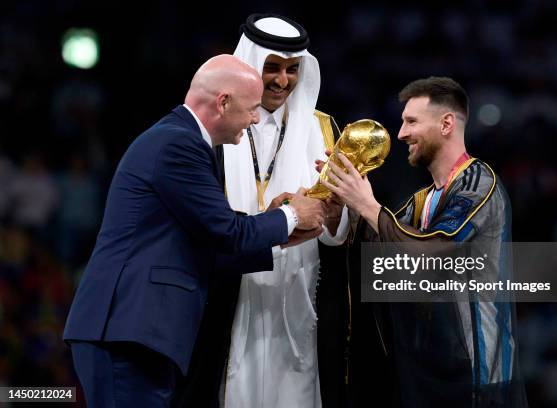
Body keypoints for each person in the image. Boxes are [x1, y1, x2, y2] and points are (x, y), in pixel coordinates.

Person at [62, 54, 326, 408]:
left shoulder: (180, 141)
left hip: (135, 331)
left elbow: (211, 243)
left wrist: (289, 234)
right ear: (223, 102)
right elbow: (228, 232)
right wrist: (294, 214)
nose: (253, 119)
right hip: (127, 330)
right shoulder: (177, 144)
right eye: (250, 109)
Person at [322, 77, 528, 407]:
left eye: (411, 121)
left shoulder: (479, 184)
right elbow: (383, 245)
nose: (401, 133)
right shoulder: (423, 201)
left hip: (479, 379)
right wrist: (341, 206)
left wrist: (367, 204)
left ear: (446, 123)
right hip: (435, 375)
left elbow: (431, 250)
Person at [177, 14, 349, 408]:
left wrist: (337, 212)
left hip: (298, 296)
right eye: (272, 67)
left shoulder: (323, 129)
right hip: (227, 292)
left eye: (292, 69)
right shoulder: (216, 127)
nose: (282, 80)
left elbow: (338, 233)